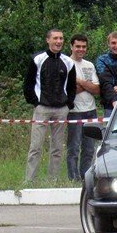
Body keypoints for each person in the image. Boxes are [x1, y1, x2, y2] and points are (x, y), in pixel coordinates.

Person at [23, 28, 76, 182]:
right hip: (42, 108)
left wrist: (68, 105)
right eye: (55, 38)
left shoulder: (68, 62)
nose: (58, 41)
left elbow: (72, 87)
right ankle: (30, 180)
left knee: (57, 148)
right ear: (48, 40)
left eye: (61, 38)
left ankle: (52, 180)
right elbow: (28, 84)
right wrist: (35, 102)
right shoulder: (37, 59)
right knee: (36, 147)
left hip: (61, 109)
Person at [66, 34, 100, 182]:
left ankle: (85, 178)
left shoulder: (89, 65)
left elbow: (97, 89)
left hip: (91, 110)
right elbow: (69, 90)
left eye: (84, 47)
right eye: (78, 46)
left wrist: (79, 82)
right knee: (73, 147)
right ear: (71, 47)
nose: (81, 49)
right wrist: (87, 85)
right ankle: (73, 178)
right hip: (74, 111)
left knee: (89, 148)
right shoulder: (66, 63)